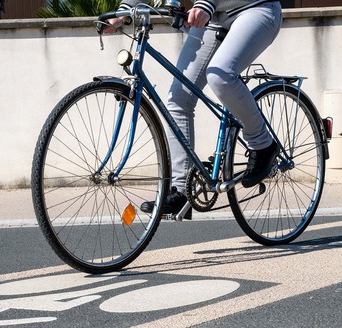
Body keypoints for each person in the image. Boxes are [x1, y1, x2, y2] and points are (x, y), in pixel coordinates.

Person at [106, 0, 282, 219]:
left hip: (255, 8)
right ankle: (181, 191)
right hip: (215, 18)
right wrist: (124, 10)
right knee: (178, 99)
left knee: (221, 76)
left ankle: (263, 143)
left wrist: (206, 3)